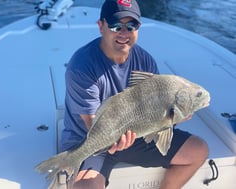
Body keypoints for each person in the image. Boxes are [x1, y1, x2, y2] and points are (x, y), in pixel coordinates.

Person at [60, 0, 209, 188]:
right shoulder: (81, 67)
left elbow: (157, 117)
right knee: (85, 186)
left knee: (198, 150)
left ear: (138, 28)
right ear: (101, 26)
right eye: (115, 26)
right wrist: (114, 139)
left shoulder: (145, 61)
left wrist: (175, 118)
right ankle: (70, 161)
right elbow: (92, 125)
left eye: (132, 25)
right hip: (91, 139)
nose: (124, 32)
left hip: (136, 135)